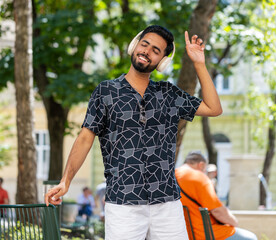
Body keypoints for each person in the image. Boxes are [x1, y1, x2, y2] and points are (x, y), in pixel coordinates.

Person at [45, 25, 222, 240]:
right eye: (144, 44)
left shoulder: (168, 94)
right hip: (122, 204)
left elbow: (214, 108)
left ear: (162, 62)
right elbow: (84, 139)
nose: (147, 51)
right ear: (135, 46)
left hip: (167, 204)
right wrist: (65, 181)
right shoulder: (105, 92)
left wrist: (199, 63)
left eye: (156, 51)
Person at [175, 152, 257, 240]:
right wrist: (234, 223)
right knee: (250, 238)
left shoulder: (172, 176)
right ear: (201, 165)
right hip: (206, 234)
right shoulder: (198, 177)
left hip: (185, 234)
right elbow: (218, 211)